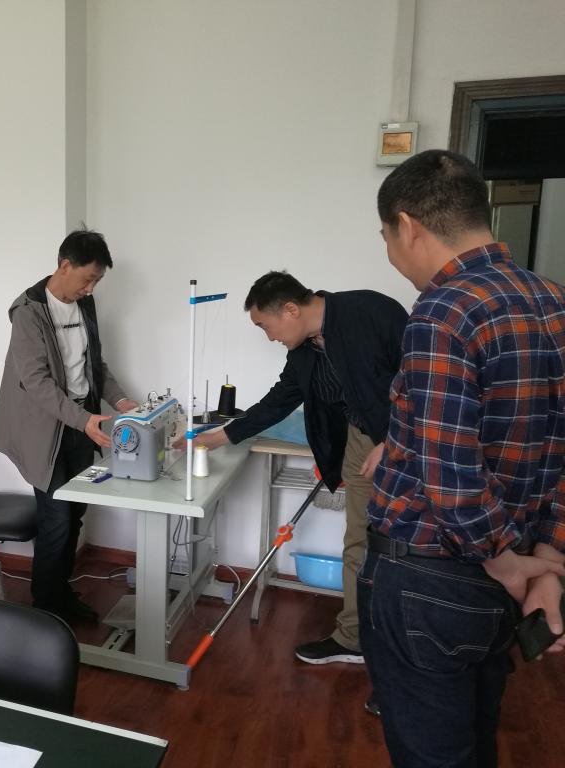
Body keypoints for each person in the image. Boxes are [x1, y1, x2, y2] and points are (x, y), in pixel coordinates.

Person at [362, 149, 565, 767]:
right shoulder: (553, 300)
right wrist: (548, 563)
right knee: (475, 740)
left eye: (385, 238)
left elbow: (451, 477)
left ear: (407, 226)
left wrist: (508, 565)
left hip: (432, 579)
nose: (391, 255)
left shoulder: (443, 311)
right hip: (509, 574)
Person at [183, 271, 407, 667]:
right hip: (361, 440)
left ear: (290, 309)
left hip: (410, 441)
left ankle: (410, 642)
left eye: (265, 327)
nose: (269, 337)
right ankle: (354, 638)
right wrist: (223, 435)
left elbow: (426, 381)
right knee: (359, 541)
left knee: (406, 544)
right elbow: (281, 399)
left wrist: (392, 441)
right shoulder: (305, 351)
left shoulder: (372, 312)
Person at [0, 229, 138, 623]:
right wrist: (84, 419)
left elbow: (94, 365)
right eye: (87, 279)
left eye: (97, 281)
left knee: (74, 514)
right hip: (47, 429)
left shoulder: (84, 305)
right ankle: (46, 607)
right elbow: (36, 382)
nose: (90, 289)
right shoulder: (28, 312)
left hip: (81, 422)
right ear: (65, 265)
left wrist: (123, 401)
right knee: (56, 517)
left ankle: (59, 594)